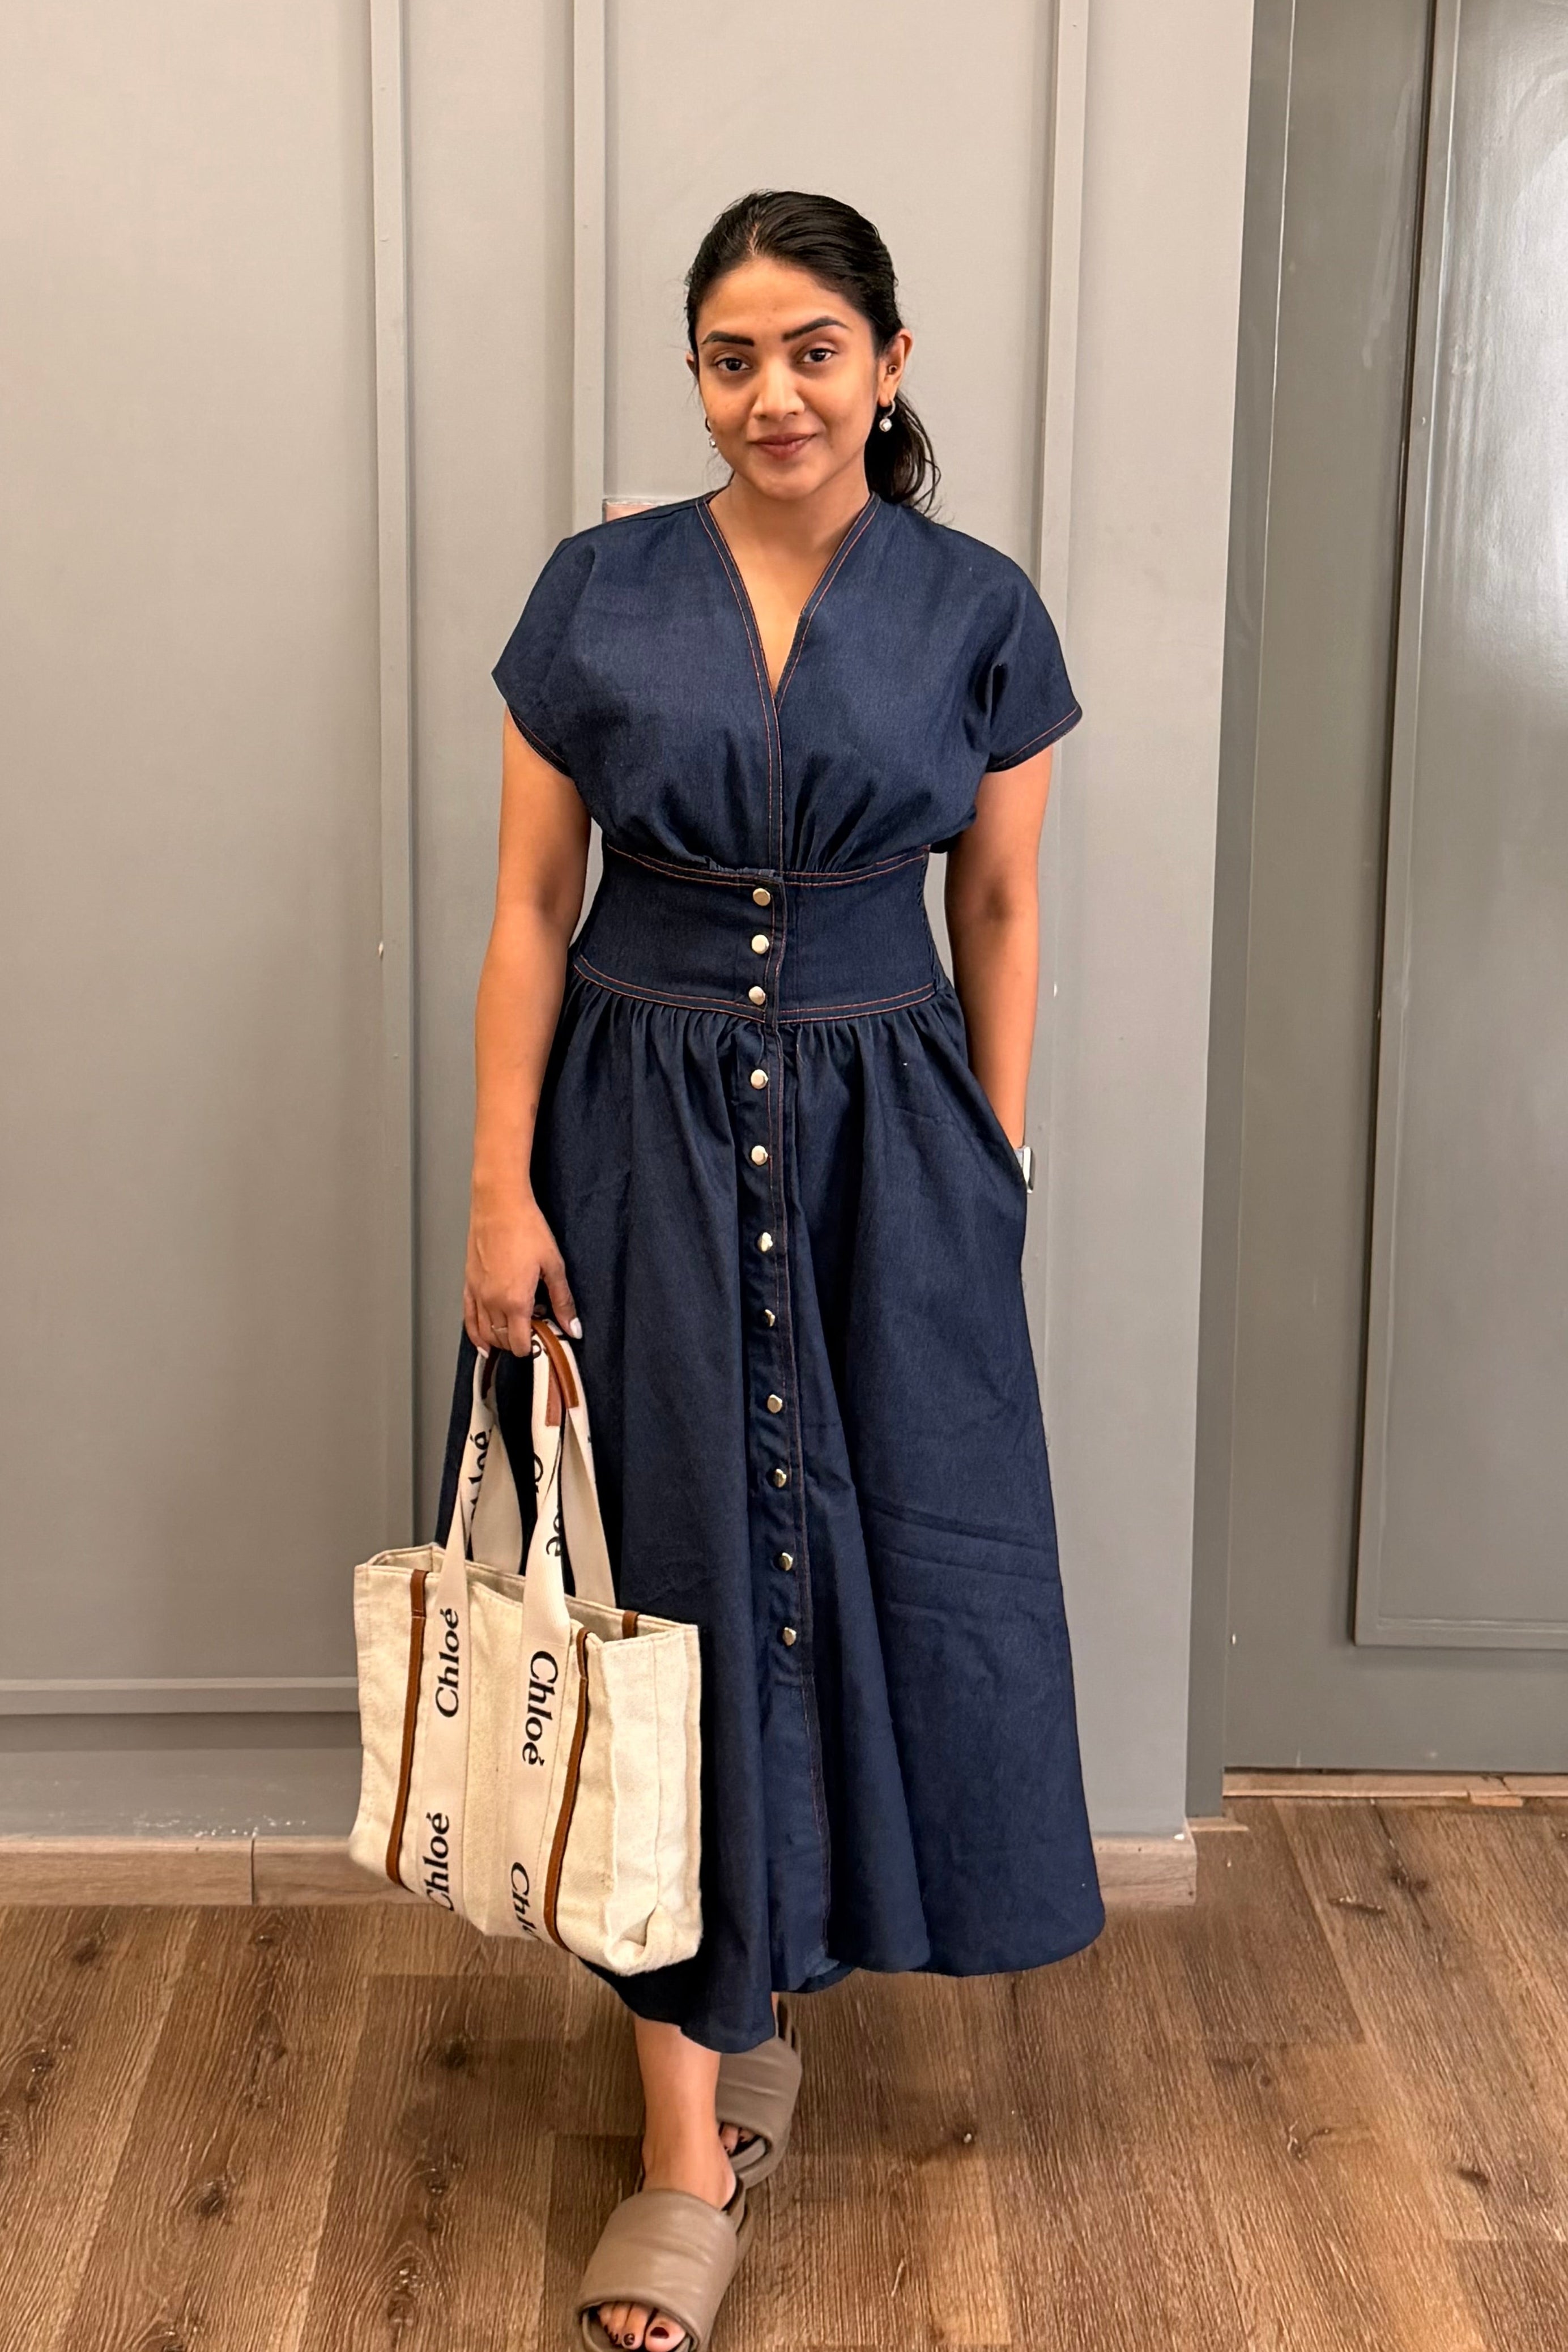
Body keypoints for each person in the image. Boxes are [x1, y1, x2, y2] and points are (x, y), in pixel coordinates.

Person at [436, 188, 1105, 2352]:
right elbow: (534, 907)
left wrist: (992, 1151)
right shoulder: (596, 594)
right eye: (732, 355)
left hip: (886, 1145)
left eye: (814, 347)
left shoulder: (975, 607)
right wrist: (494, 1188)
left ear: (888, 365)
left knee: (881, 1568)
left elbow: (995, 909)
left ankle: (767, 1995)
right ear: (697, 379)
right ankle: (681, 2140)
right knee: (676, 1588)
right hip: (625, 1130)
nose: (774, 391)